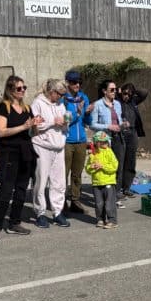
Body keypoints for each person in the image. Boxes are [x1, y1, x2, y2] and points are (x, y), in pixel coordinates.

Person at [0, 76, 41, 244]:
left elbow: (34, 134)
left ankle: (14, 222)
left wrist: (35, 125)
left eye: (24, 87)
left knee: (21, 190)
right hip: (9, 153)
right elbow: (1, 132)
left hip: (26, 152)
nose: (22, 90)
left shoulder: (27, 108)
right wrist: (24, 126)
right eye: (19, 88)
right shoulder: (4, 107)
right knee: (6, 191)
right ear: (10, 90)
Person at [31, 79, 70, 228]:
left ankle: (57, 212)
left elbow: (64, 124)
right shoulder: (37, 103)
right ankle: (40, 213)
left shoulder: (60, 104)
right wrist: (53, 121)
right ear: (52, 92)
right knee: (41, 181)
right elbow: (36, 125)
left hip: (59, 146)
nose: (61, 97)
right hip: (43, 146)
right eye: (60, 94)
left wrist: (65, 122)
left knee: (59, 182)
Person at [90, 80, 125, 207]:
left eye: (115, 89)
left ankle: (115, 197)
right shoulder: (97, 105)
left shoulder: (118, 104)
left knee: (117, 167)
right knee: (105, 167)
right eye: (112, 89)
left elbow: (118, 120)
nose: (115, 92)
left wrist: (123, 124)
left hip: (118, 138)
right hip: (105, 140)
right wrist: (108, 126)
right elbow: (92, 124)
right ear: (104, 91)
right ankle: (105, 198)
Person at [61, 70, 90, 214]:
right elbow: (64, 122)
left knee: (77, 173)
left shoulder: (83, 97)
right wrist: (77, 113)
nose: (77, 85)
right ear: (67, 83)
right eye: (74, 82)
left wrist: (88, 113)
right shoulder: (63, 100)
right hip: (67, 140)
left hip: (81, 141)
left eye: (79, 82)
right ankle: (61, 202)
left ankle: (75, 200)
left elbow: (87, 121)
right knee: (63, 173)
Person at [118, 83, 148, 199]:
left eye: (129, 94)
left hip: (132, 133)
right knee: (120, 161)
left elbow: (144, 92)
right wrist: (119, 91)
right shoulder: (117, 101)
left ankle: (127, 188)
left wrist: (133, 91)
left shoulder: (133, 102)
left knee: (130, 161)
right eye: (124, 94)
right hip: (121, 133)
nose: (126, 96)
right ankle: (117, 188)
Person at [85, 131, 119, 228]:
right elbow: (87, 169)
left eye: (106, 141)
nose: (105, 143)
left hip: (109, 182)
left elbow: (114, 166)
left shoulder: (109, 152)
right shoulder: (93, 154)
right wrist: (91, 167)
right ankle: (100, 219)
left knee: (109, 203)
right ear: (96, 142)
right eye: (102, 142)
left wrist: (102, 166)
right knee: (99, 203)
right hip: (96, 183)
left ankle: (112, 220)